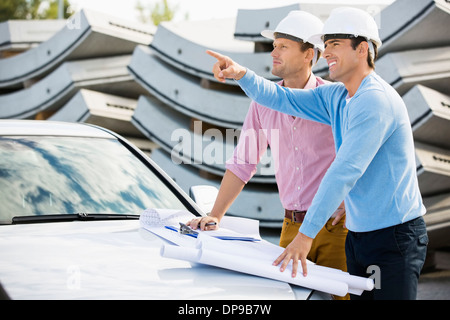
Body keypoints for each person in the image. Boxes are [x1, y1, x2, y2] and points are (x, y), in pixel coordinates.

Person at [207, 7, 428, 300]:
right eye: (328, 44)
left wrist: (305, 235)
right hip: (358, 236)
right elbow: (278, 97)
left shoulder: (375, 101)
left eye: (335, 44)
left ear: (362, 49)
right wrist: (241, 74)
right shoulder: (336, 97)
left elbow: (344, 172)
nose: (329, 52)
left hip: (391, 236)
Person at [187, 10, 348, 299]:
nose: (273, 52)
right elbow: (243, 163)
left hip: (336, 228)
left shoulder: (335, 99)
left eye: (282, 46)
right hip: (291, 227)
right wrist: (215, 214)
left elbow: (361, 155)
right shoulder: (263, 103)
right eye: (273, 45)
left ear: (309, 54)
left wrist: (352, 203)